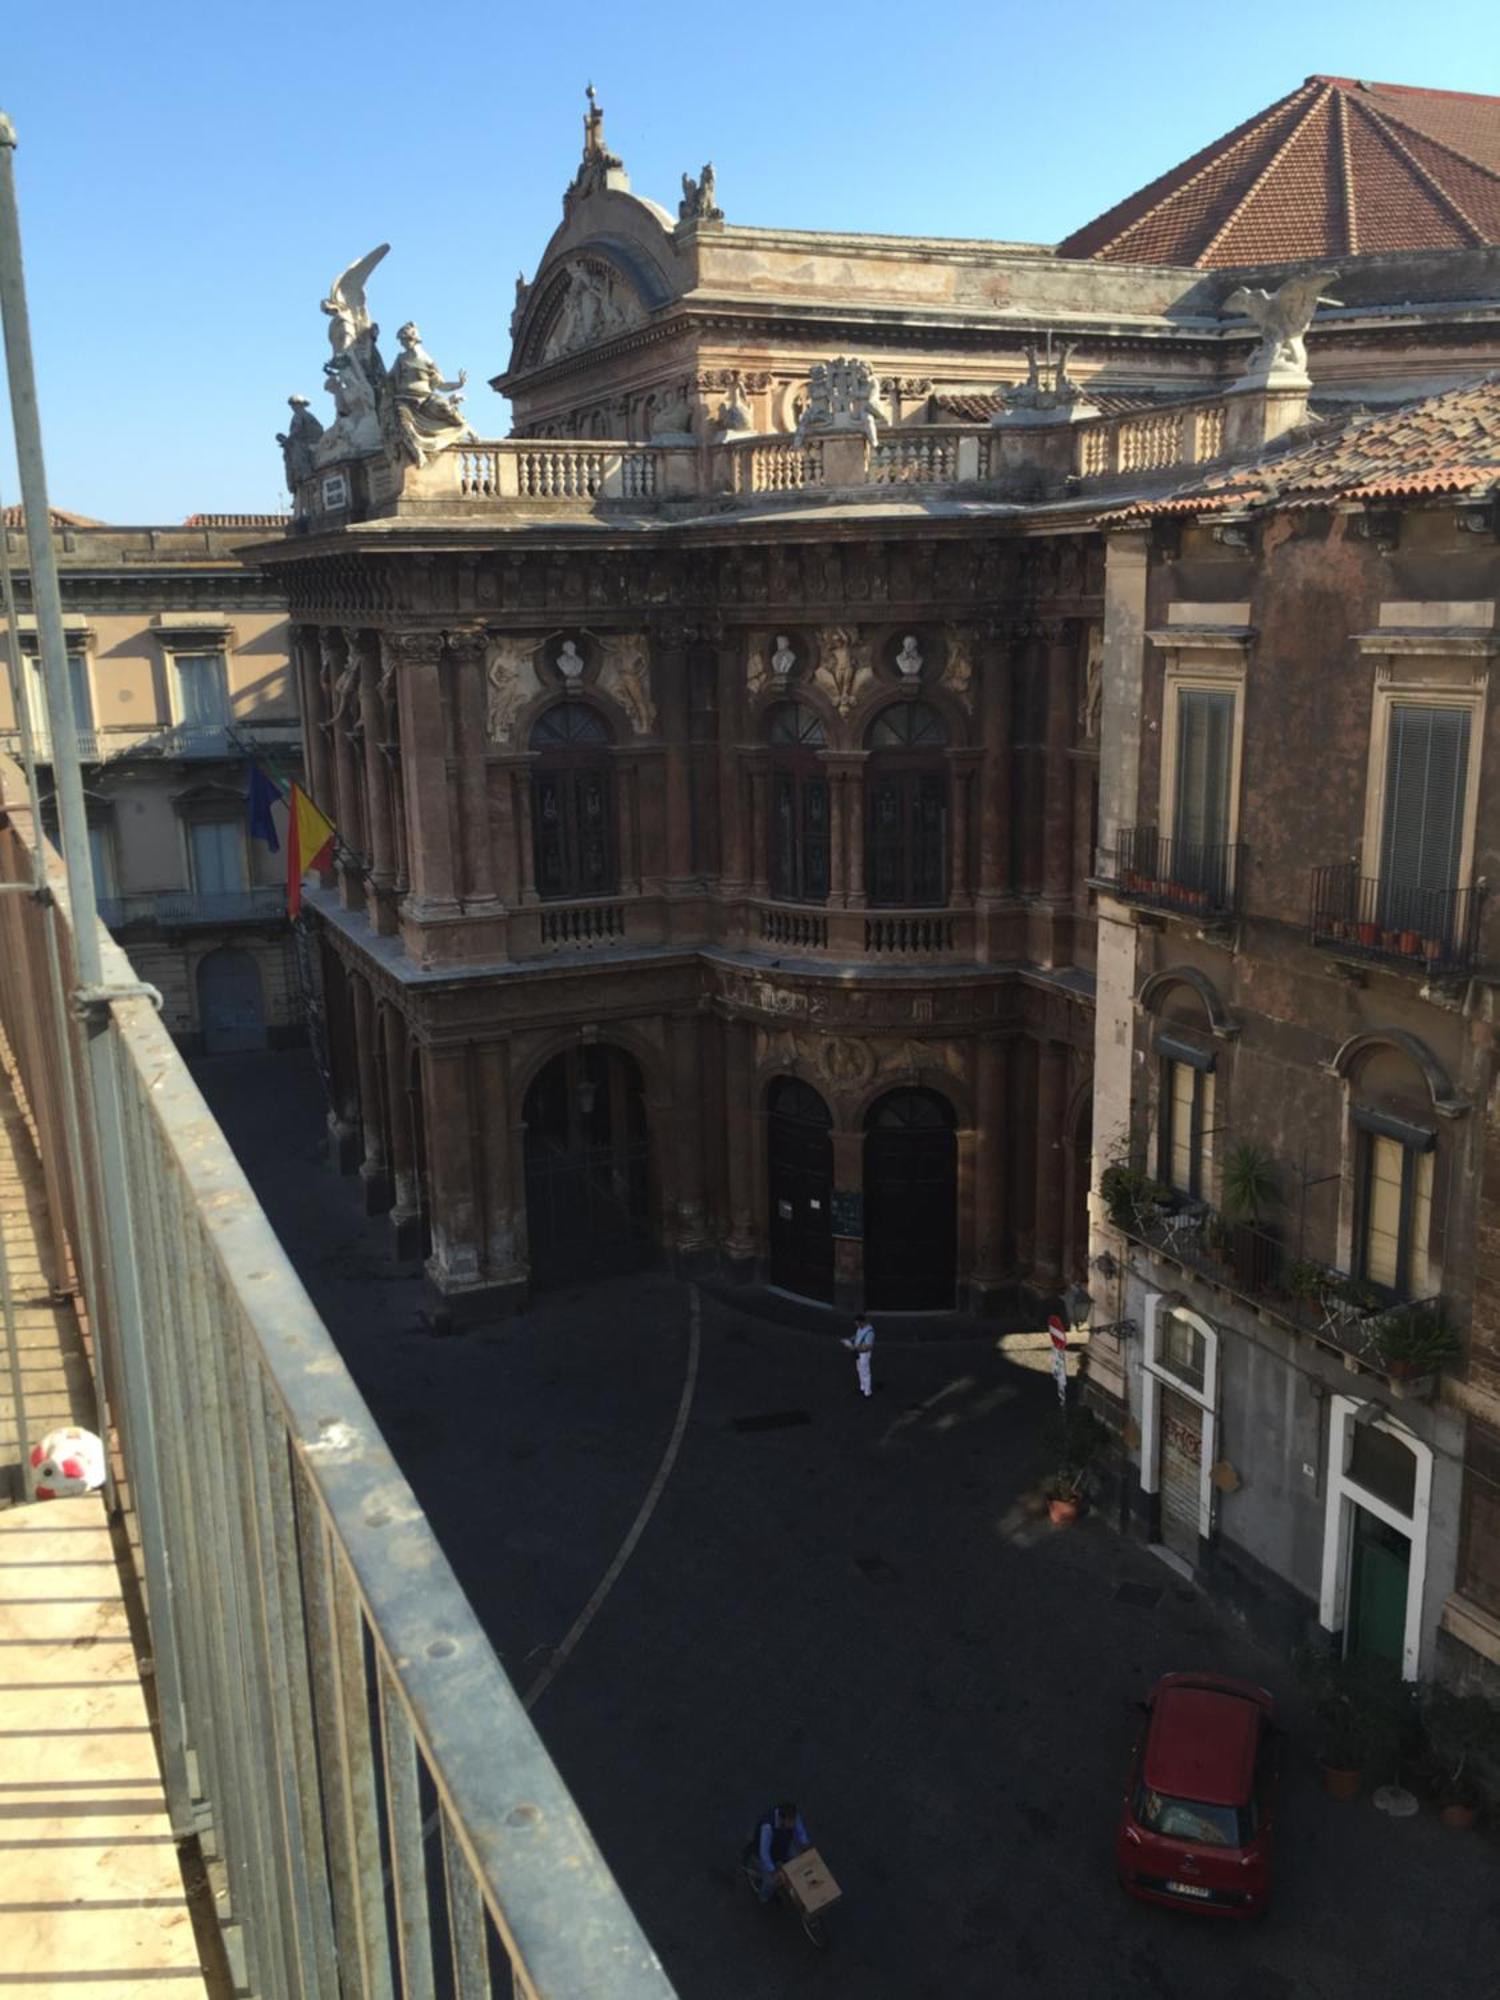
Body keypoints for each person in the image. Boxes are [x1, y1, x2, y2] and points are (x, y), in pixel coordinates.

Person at [743, 1801, 812, 1904]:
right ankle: (763, 1898)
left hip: (783, 1846)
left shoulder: (791, 1816)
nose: (794, 1824)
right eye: (791, 1822)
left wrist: (806, 1844)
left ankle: (794, 1886)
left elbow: (800, 1830)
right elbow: (764, 1854)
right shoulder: (767, 1827)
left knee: (798, 1862)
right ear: (782, 1819)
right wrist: (773, 1871)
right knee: (771, 1882)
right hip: (765, 1855)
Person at [844, 1314, 875, 1398]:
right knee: (859, 1370)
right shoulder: (860, 1328)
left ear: (862, 1322)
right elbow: (857, 1335)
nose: (857, 1325)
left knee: (865, 1372)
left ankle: (867, 1392)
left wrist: (856, 1348)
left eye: (857, 1323)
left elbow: (869, 1346)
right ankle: (862, 1388)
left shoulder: (869, 1332)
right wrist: (851, 1339)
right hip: (858, 1352)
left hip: (864, 1354)